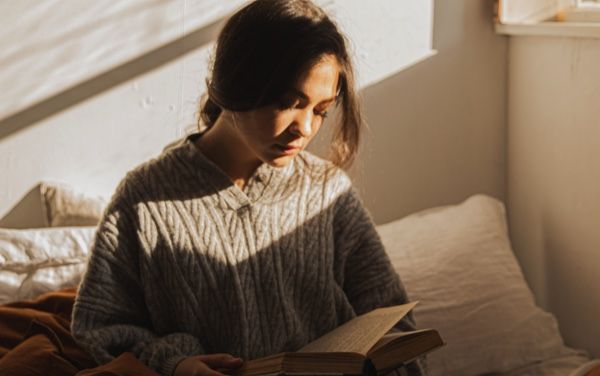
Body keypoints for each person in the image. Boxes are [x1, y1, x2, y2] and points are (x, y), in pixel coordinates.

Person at [71, 0, 425, 375]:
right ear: (236, 84)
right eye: (290, 103)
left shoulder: (327, 194)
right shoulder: (144, 200)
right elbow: (100, 328)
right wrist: (176, 364)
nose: (304, 129)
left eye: (321, 111)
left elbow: (393, 323)